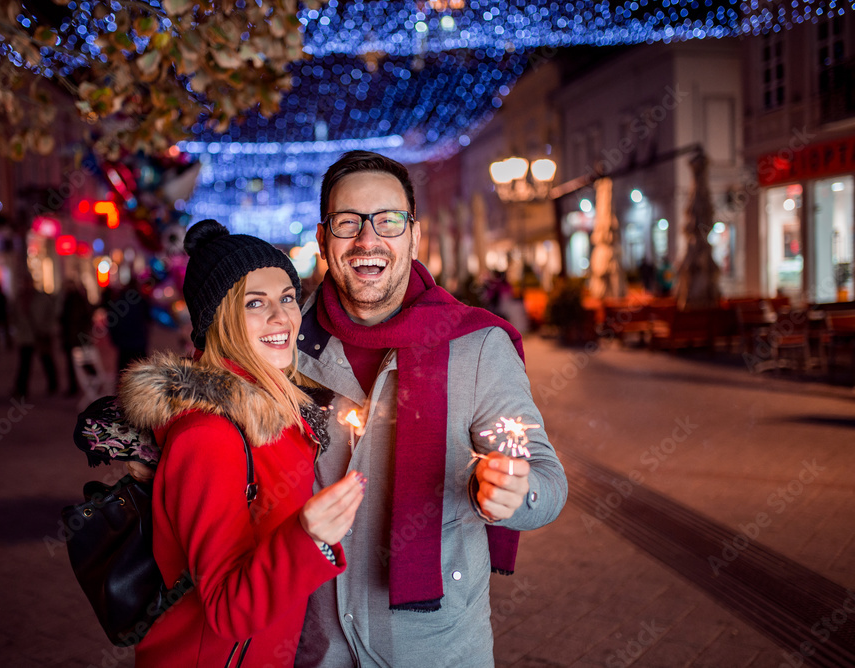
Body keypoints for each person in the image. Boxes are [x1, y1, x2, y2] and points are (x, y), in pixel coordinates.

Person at [293, 151, 568, 667]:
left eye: (388, 221)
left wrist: (515, 491)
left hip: (437, 652)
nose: (367, 240)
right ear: (323, 238)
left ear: (414, 236)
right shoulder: (287, 345)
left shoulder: (477, 344)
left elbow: (549, 482)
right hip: (315, 651)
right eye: (348, 222)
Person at [118, 219, 364, 666]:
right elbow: (228, 610)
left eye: (287, 297)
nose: (281, 317)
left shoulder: (278, 414)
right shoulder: (208, 435)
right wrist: (308, 537)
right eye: (256, 303)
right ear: (219, 319)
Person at [11, 273, 58, 399]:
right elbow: (13, 315)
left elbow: (51, 314)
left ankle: (53, 385)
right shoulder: (19, 299)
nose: (26, 285)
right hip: (25, 336)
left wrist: (46, 328)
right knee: (24, 364)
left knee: (46, 360)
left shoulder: (42, 298)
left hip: (40, 334)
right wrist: (18, 328)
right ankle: (21, 389)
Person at [105, 277, 151, 373]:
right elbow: (148, 318)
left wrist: (115, 339)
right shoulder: (141, 301)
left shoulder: (119, 301)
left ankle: (123, 387)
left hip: (124, 343)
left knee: (123, 372)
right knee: (143, 372)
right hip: (138, 342)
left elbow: (112, 321)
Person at [58, 279, 93, 395]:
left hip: (74, 337)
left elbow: (74, 320)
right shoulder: (73, 299)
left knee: (79, 362)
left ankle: (88, 382)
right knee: (79, 363)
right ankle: (86, 382)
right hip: (75, 337)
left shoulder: (74, 300)